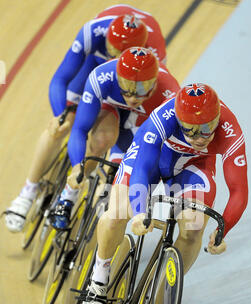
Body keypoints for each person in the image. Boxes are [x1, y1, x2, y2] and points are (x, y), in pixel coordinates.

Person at [80, 83, 249, 304]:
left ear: (217, 119)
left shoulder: (230, 130)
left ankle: (162, 291)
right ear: (179, 120)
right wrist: (139, 211)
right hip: (152, 157)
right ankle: (99, 277)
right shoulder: (163, 118)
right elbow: (143, 165)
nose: (197, 137)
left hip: (193, 167)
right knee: (119, 211)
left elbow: (239, 191)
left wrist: (223, 230)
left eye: (205, 130)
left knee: (193, 226)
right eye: (189, 130)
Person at [5, 4, 167, 233]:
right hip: (94, 70)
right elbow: (61, 78)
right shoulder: (93, 32)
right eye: (111, 50)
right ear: (107, 39)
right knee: (61, 127)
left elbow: (145, 105)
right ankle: (27, 192)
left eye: (119, 55)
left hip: (129, 85)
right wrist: (61, 113)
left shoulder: (153, 57)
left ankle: (71, 191)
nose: (114, 57)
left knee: (104, 138)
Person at [49, 46, 180, 230]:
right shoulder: (102, 76)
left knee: (126, 177)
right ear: (118, 78)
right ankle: (68, 195)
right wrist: (77, 165)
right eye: (126, 88)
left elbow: (163, 143)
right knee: (102, 139)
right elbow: (80, 129)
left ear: (154, 85)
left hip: (143, 123)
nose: (132, 96)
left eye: (140, 89)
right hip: (111, 109)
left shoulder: (171, 94)